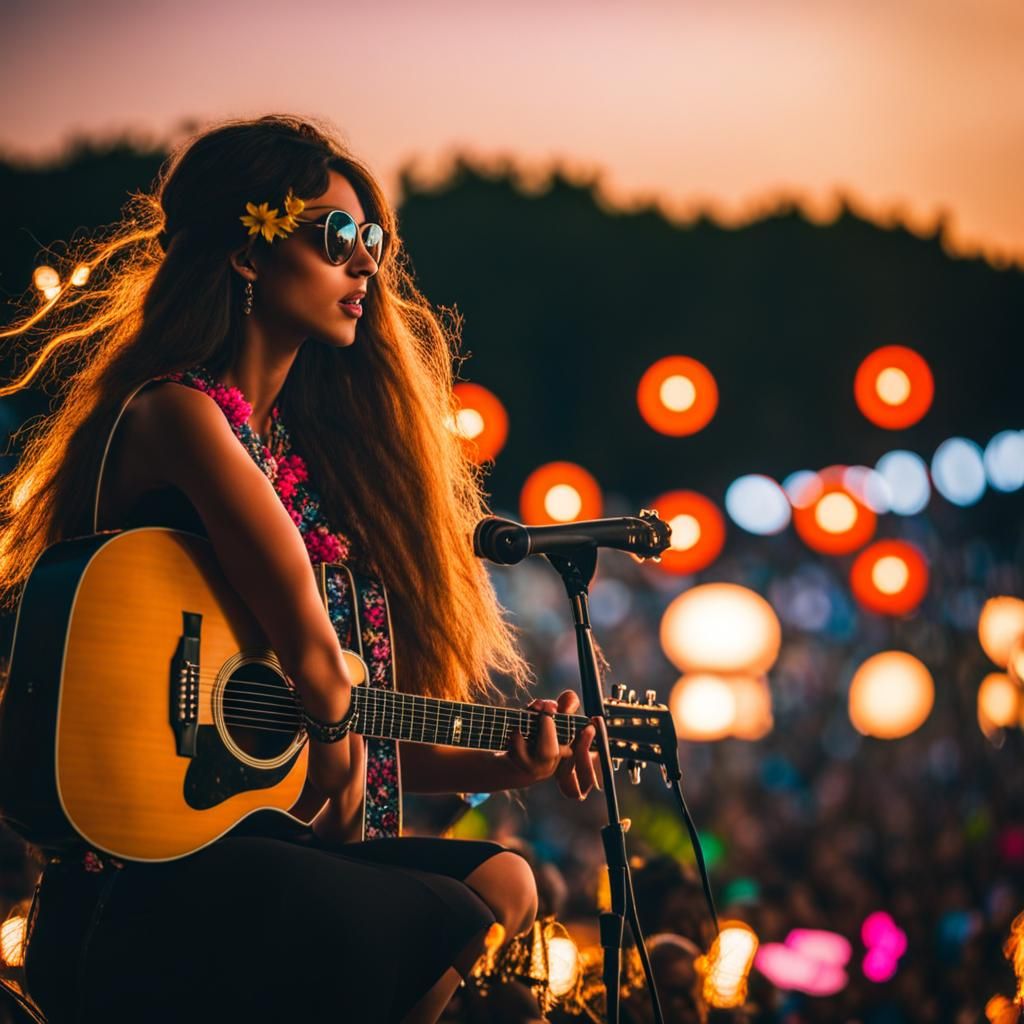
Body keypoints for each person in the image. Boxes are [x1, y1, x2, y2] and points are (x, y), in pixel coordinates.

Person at [0, 114, 599, 1023]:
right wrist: (336, 775)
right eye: (336, 236)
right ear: (249, 251)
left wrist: (511, 760)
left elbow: (339, 725)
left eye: (374, 242)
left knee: (506, 881)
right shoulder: (178, 415)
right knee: (431, 914)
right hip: (140, 878)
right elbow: (322, 679)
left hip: (245, 856)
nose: (365, 265)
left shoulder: (289, 461)